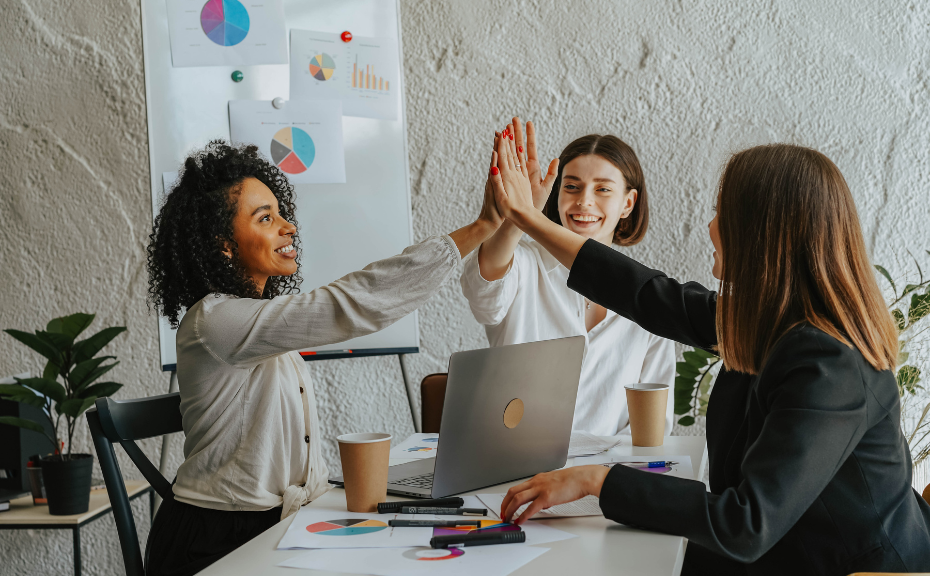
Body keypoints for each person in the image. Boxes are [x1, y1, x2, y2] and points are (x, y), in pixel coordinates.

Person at [488, 134, 930, 574]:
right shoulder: (772, 320)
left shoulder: (828, 363)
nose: (711, 227)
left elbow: (745, 524)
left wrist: (597, 480)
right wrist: (528, 220)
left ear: (762, 234)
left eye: (722, 212)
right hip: (788, 550)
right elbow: (647, 294)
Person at [143, 140, 503, 576]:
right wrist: (484, 225)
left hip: (275, 525)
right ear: (223, 245)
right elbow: (349, 304)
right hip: (215, 541)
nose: (288, 226)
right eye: (266, 218)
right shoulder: (217, 320)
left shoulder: (257, 324)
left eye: (280, 212)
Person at [460, 118, 674, 435]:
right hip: (516, 470)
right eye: (571, 186)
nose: (584, 201)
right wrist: (520, 215)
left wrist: (603, 478)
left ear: (627, 203)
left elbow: (653, 423)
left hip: (604, 476)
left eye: (602, 189)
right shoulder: (524, 264)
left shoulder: (649, 296)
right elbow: (483, 293)